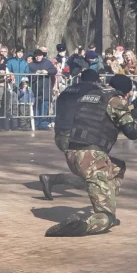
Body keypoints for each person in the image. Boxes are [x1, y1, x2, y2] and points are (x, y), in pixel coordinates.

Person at [45, 74, 137, 237]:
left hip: (72, 153)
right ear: (126, 91)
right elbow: (133, 133)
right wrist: (136, 116)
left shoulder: (90, 96)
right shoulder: (117, 100)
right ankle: (82, 225)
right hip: (92, 158)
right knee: (106, 218)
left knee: (118, 167)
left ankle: (106, 200)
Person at [38, 69, 101, 199]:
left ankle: (52, 180)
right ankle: (51, 179)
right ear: (95, 80)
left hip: (61, 133)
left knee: (87, 172)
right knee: (91, 177)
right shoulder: (93, 91)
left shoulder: (69, 89)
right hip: (75, 135)